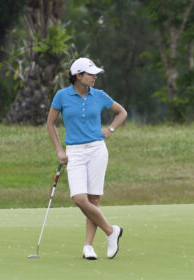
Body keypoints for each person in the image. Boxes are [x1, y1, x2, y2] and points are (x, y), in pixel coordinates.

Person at [46, 57, 127, 260]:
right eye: (91, 74)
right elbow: (50, 124)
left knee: (93, 199)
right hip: (74, 151)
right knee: (79, 199)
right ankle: (111, 231)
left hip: (97, 150)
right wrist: (59, 150)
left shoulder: (99, 95)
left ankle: (88, 247)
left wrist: (110, 129)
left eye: (95, 74)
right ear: (78, 76)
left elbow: (121, 112)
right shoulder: (62, 96)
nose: (94, 77)